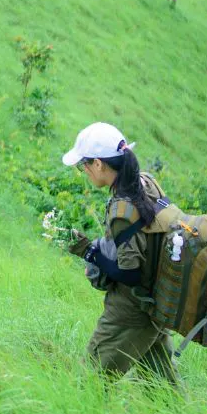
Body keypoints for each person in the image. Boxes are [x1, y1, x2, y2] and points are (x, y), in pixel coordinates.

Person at [62, 122, 176, 383]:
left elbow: (130, 273)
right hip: (155, 302)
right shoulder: (146, 183)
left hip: (131, 310)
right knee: (162, 389)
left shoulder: (123, 209)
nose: (85, 172)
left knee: (89, 383)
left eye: (84, 165)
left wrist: (88, 251)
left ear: (99, 164)